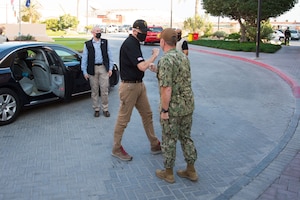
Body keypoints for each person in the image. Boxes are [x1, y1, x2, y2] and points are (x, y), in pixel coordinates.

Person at [111, 19, 161, 161]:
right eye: (142, 33)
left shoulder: (135, 43)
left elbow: (139, 64)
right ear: (134, 31)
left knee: (147, 115)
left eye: (145, 32)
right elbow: (141, 67)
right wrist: (154, 56)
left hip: (139, 85)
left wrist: (148, 64)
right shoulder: (130, 44)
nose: (144, 35)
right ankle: (116, 148)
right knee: (123, 119)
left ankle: (154, 144)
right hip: (129, 87)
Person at [154, 28, 198, 183]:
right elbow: (178, 77)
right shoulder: (183, 57)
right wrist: (157, 71)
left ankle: (169, 173)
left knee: (169, 139)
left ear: (163, 42)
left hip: (173, 108)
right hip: (187, 105)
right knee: (186, 137)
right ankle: (191, 170)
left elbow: (167, 88)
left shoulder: (166, 60)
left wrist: (164, 110)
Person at [81, 25, 114, 118]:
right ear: (92, 32)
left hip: (103, 68)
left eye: (100, 31)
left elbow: (110, 55)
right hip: (92, 69)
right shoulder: (88, 44)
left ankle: (105, 109)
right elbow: (84, 58)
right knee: (94, 90)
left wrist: (110, 68)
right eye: (97, 31)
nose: (99, 32)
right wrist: (84, 71)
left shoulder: (105, 42)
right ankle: (96, 109)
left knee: (104, 90)